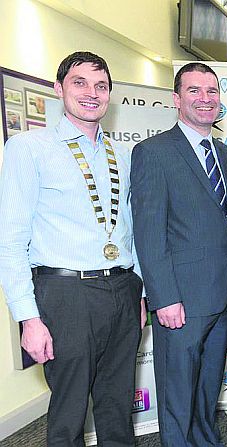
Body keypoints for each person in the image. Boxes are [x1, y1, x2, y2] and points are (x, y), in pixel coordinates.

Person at [0, 51, 145, 446]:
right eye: (79, 82)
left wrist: (141, 290)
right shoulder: (28, 148)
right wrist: (28, 319)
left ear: (110, 94)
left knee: (117, 406)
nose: (91, 93)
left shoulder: (124, 155)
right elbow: (9, 240)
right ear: (58, 88)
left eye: (101, 85)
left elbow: (131, 228)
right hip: (65, 294)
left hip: (121, 288)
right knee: (68, 411)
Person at [131, 62, 227, 446]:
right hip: (180, 299)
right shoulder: (153, 152)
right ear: (177, 99)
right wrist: (163, 297)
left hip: (225, 294)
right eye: (194, 91)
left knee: (206, 391)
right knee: (178, 396)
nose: (205, 99)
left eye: (212, 91)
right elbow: (148, 232)